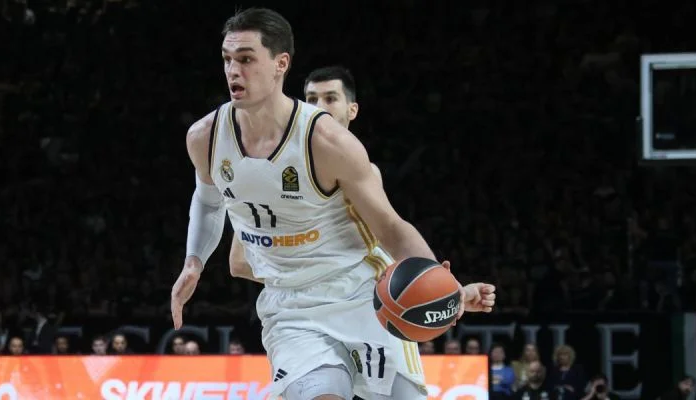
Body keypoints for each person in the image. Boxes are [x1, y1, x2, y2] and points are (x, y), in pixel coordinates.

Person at [169, 7, 496, 400]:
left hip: (361, 293)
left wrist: (448, 290)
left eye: (246, 59)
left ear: (280, 64)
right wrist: (194, 261)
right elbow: (208, 201)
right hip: (291, 307)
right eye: (227, 59)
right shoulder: (204, 137)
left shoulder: (326, 141)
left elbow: (390, 227)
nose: (233, 71)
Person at [303, 65, 382, 182]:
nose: (318, 107)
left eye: (330, 99)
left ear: (352, 111)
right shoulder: (285, 161)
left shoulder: (368, 173)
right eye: (312, 100)